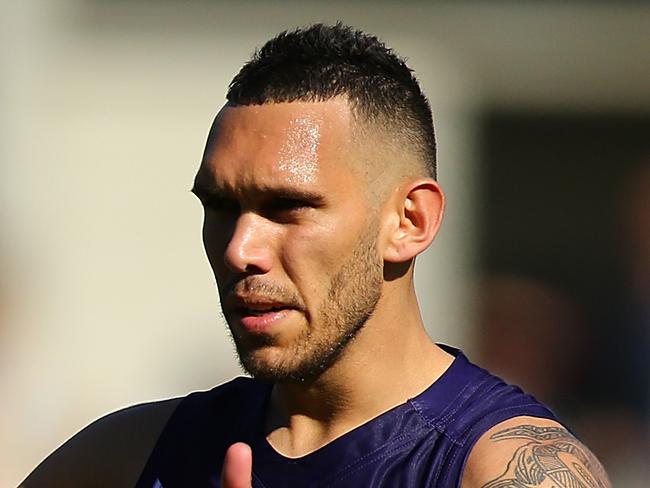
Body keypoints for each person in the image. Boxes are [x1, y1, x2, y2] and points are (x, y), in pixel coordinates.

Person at [21, 23, 611, 488]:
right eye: (222, 207)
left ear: (409, 222)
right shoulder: (132, 457)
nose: (240, 249)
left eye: (287, 208)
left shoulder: (504, 469)